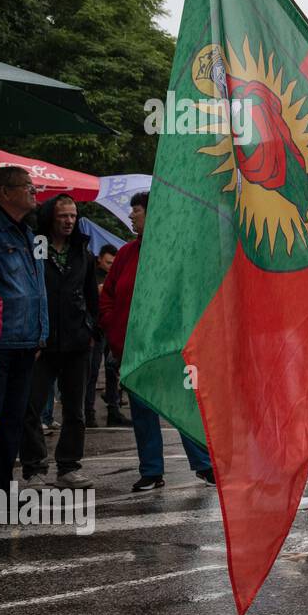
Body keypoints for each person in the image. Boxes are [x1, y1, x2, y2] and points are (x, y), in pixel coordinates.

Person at [99, 192, 215, 491]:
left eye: (135, 211)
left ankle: (203, 465)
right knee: (142, 410)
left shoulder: (175, 251)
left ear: (153, 213)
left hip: (170, 347)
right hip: (134, 348)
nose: (131, 216)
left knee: (182, 406)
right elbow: (108, 295)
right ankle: (151, 471)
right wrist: (114, 328)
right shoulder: (125, 254)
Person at [19, 194, 98, 488]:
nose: (69, 221)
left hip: (77, 344)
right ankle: (34, 468)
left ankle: (68, 467)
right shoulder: (35, 246)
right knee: (31, 407)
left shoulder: (82, 251)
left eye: (73, 216)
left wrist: (90, 328)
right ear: (51, 217)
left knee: (75, 410)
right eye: (63, 215)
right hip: (41, 343)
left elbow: (92, 296)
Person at [0, 166, 48, 493]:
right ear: (5, 192)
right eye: (27, 186)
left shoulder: (26, 233)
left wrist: (41, 333)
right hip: (0, 342)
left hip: (26, 342)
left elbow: (36, 288)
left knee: (13, 422)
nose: (34, 191)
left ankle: (0, 489)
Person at [86, 243, 127, 428]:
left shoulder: (116, 274)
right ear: (100, 259)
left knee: (112, 370)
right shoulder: (91, 274)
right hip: (94, 328)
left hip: (109, 328)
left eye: (113, 263)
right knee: (92, 372)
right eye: (108, 262)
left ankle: (113, 409)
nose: (111, 266)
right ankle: (89, 413)